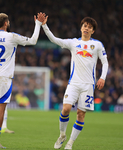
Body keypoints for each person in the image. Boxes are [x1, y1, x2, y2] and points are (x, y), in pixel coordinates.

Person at [0, 12, 46, 148]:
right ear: (6, 23)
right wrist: (38, 24)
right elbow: (33, 41)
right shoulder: (12, 36)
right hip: (4, 78)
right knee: (1, 108)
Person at [42, 16, 108, 149]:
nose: (86, 28)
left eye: (89, 27)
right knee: (65, 109)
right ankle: (62, 135)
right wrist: (44, 25)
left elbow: (105, 62)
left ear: (93, 31)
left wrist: (102, 77)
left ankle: (70, 143)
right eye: (85, 25)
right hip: (74, 83)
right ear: (81, 27)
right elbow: (54, 39)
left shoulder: (97, 45)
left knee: (80, 114)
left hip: (88, 85)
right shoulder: (73, 43)